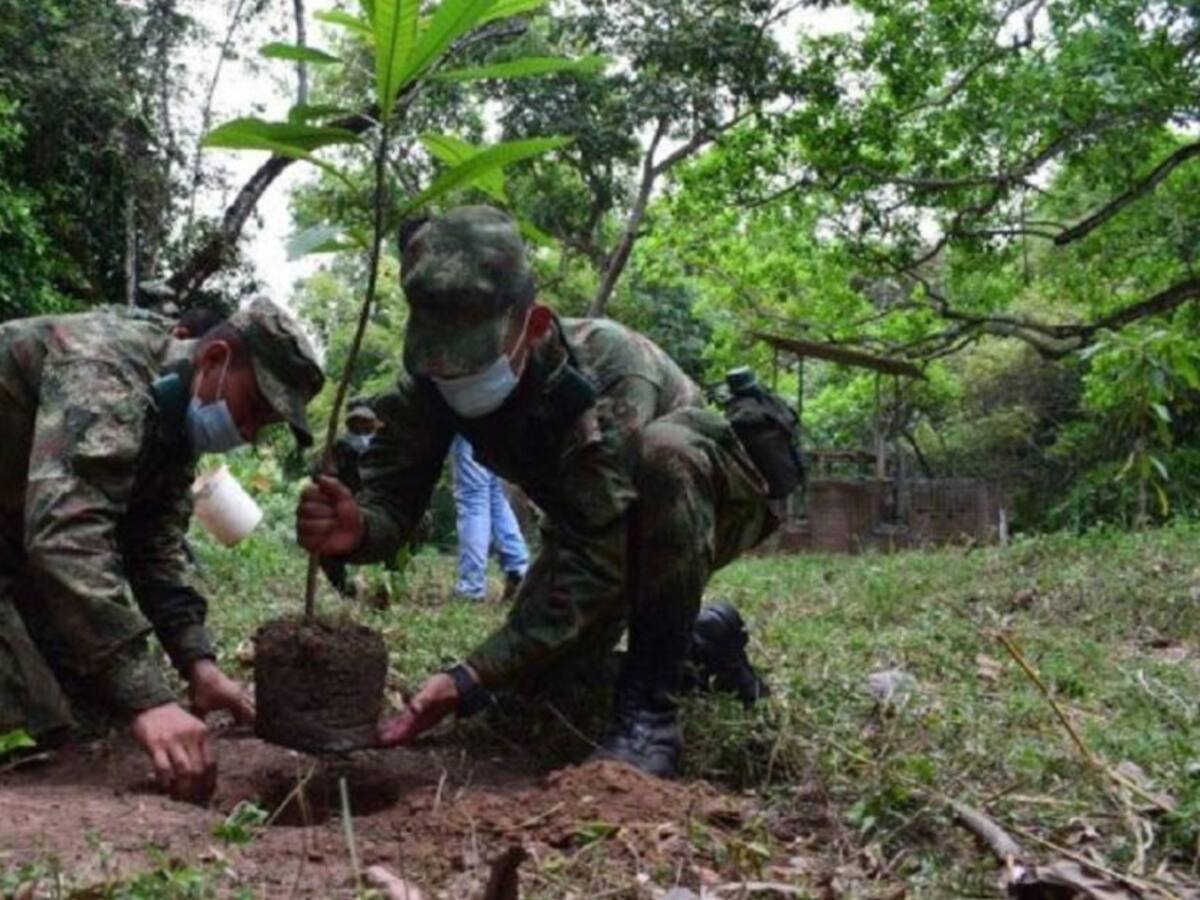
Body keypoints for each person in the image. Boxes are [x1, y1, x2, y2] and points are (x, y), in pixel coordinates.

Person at [297, 206, 775, 778]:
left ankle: (650, 711)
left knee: (664, 457)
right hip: (587, 524)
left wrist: (470, 674)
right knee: (537, 681)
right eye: (440, 362)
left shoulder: (611, 370)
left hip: (703, 505)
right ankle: (700, 647)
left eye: (474, 357)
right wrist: (359, 530)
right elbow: (393, 501)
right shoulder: (431, 379)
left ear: (536, 324)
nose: (455, 375)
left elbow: (602, 557)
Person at [0, 298, 324, 801]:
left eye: (266, 424)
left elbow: (152, 553)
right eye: (254, 408)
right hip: (22, 538)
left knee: (89, 704)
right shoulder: (103, 371)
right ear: (214, 359)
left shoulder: (172, 426)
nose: (249, 431)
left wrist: (198, 662)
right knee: (32, 730)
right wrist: (148, 698)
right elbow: (65, 537)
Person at [450, 434, 529, 602]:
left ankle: (471, 586)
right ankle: (519, 569)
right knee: (496, 498)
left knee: (473, 498)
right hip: (502, 424)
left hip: (471, 420)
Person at [319, 401, 381, 597]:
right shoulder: (338, 450)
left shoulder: (387, 450)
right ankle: (344, 588)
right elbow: (322, 479)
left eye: (367, 427)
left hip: (382, 516)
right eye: (356, 427)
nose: (362, 433)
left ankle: (390, 576)